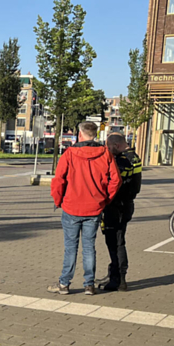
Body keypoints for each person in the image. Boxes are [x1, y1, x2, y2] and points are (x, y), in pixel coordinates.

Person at [48, 122, 121, 296]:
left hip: (71, 206)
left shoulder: (70, 154)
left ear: (80, 134)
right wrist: (105, 199)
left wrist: (58, 201)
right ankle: (89, 285)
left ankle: (64, 284)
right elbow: (115, 180)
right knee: (89, 247)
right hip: (94, 208)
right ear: (95, 134)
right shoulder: (106, 154)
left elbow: (58, 180)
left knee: (70, 247)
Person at [99, 133, 143, 292]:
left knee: (115, 243)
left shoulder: (120, 161)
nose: (107, 150)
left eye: (108, 147)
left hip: (115, 207)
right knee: (118, 241)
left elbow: (112, 183)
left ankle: (119, 280)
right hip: (127, 205)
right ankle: (114, 274)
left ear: (116, 146)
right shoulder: (134, 157)